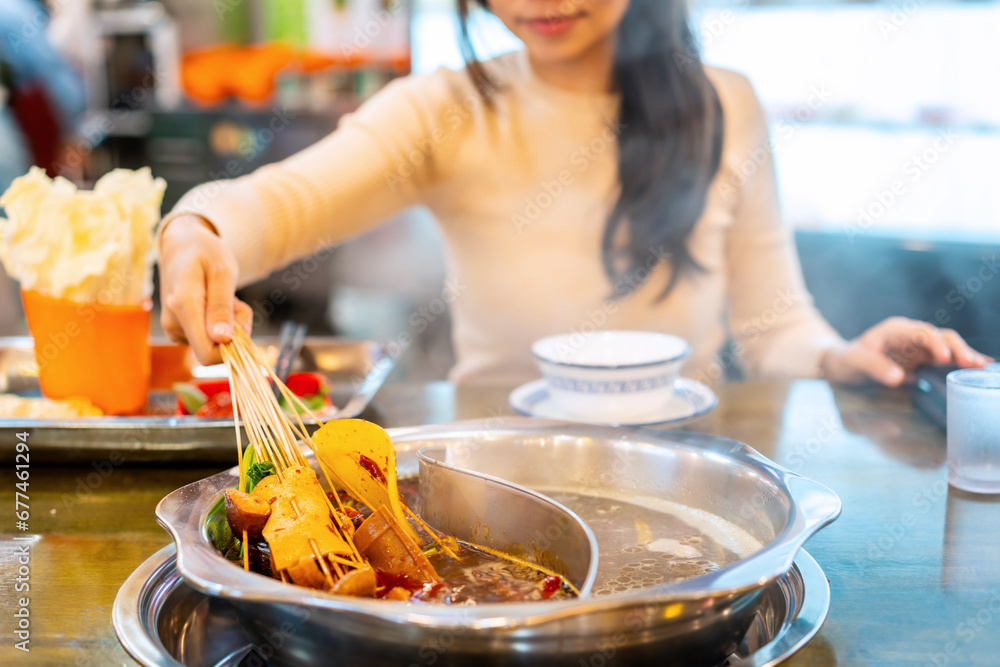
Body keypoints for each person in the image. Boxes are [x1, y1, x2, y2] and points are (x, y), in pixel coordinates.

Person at [157, 0, 989, 387]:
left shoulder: (723, 104)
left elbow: (773, 329)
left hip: (687, 475)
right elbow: (283, 201)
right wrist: (200, 226)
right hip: (494, 486)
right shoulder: (449, 107)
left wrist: (846, 356)